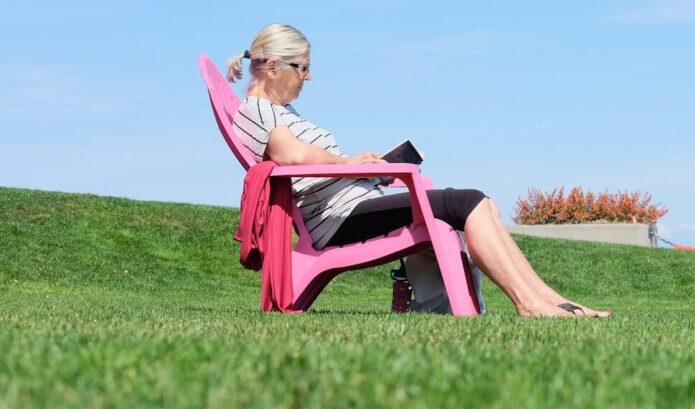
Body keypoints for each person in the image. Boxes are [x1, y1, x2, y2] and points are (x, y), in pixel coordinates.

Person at [227, 23, 608, 317]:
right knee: (468, 202)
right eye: (303, 68)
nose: (308, 77)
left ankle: (552, 301)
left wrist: (371, 168)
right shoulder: (257, 110)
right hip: (339, 220)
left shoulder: (280, 111)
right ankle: (528, 303)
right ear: (273, 66)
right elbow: (291, 156)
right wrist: (350, 163)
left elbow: (305, 158)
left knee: (481, 205)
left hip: (352, 206)